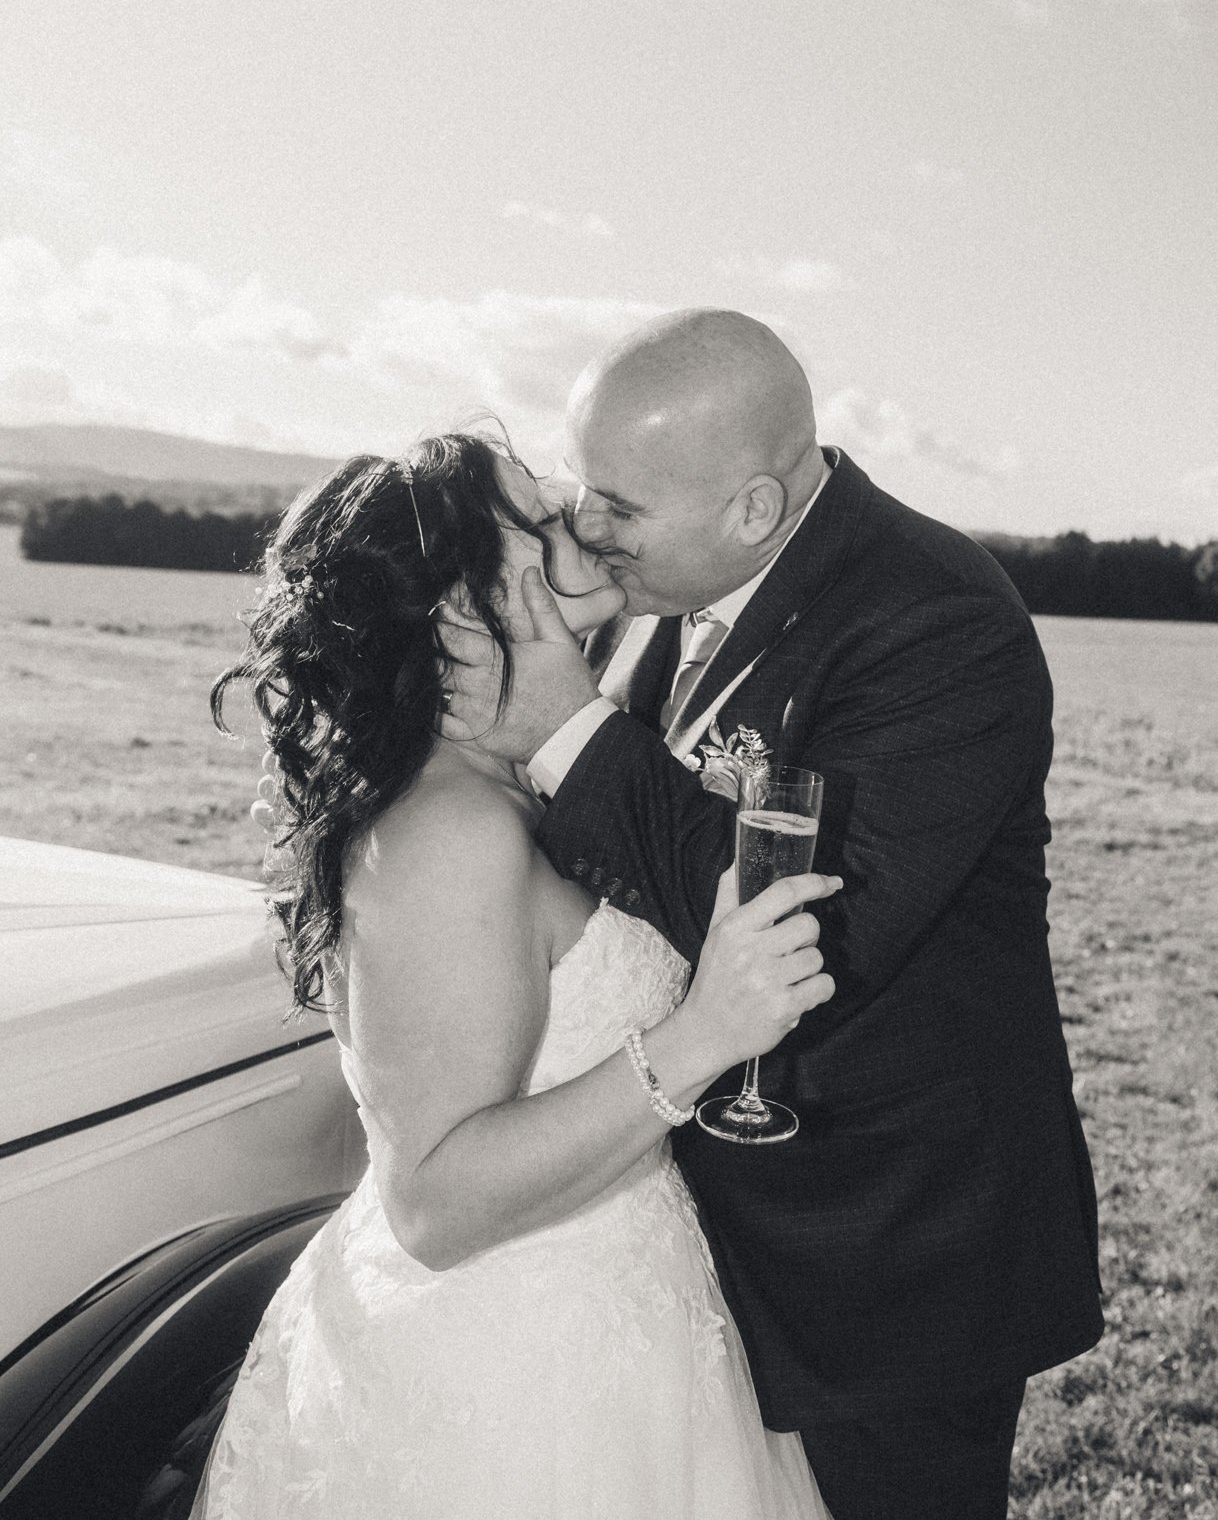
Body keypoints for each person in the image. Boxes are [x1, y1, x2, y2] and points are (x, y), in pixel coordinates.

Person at [441, 308, 1105, 1520]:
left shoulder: (937, 619)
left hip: (890, 1254)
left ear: (750, 509)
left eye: (617, 506)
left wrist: (568, 731)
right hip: (695, 1235)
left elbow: (808, 934)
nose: (584, 528)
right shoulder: (674, 576)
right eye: (584, 484)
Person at [194, 432, 836, 1520]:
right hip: (507, 1384)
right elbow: (434, 1202)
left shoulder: (516, 785)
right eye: (537, 516)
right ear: (456, 609)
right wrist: (706, 1034)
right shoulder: (448, 829)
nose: (581, 515)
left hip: (628, 1316)